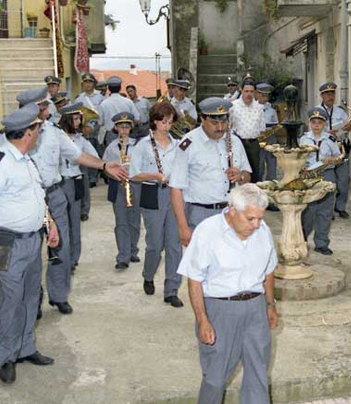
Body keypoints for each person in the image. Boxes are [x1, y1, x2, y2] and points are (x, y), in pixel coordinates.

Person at [177, 183, 279, 404]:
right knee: (216, 373)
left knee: (258, 375)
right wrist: (202, 320)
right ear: (232, 210)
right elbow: (194, 279)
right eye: (250, 218)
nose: (256, 224)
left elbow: (269, 270)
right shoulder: (208, 232)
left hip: (255, 308)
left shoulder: (262, 231)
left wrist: (270, 304)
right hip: (219, 309)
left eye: (260, 218)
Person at [0, 103, 59, 384]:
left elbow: (37, 197)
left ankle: (26, 348)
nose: (40, 133)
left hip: (33, 240)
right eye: (38, 129)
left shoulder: (26, 159)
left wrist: (50, 223)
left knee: (32, 296)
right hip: (6, 243)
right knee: (11, 301)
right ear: (28, 133)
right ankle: (7, 356)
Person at [15, 87, 127, 315]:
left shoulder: (55, 132)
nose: (49, 108)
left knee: (61, 248)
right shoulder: (13, 133)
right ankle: (32, 299)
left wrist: (104, 165)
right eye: (44, 105)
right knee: (30, 252)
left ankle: (58, 295)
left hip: (54, 195)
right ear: (34, 108)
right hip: (27, 198)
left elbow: (77, 155)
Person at [169, 98, 251, 248]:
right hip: (201, 214)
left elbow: (247, 175)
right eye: (214, 123)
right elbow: (175, 187)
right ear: (202, 119)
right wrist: (182, 227)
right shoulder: (188, 144)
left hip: (232, 213)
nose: (220, 127)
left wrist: (241, 176)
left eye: (224, 122)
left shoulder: (234, 142)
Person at [129, 102, 184, 307]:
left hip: (175, 194)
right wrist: (154, 175)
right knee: (155, 243)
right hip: (152, 192)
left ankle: (171, 289)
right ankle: (148, 274)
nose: (167, 126)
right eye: (163, 122)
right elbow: (133, 174)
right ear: (154, 121)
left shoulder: (178, 144)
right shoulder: (143, 145)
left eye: (170, 122)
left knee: (174, 244)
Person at [58, 102, 97, 273]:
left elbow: (94, 157)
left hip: (74, 181)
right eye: (74, 119)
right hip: (58, 183)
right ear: (66, 120)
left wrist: (79, 158)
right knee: (59, 222)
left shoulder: (80, 140)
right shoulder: (56, 137)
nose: (78, 122)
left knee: (74, 222)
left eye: (79, 119)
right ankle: (60, 256)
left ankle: (73, 259)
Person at [300, 106, 342, 255]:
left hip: (327, 174)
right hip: (309, 176)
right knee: (309, 210)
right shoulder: (303, 139)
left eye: (320, 122)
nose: (317, 125)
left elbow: (339, 158)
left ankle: (321, 242)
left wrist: (332, 159)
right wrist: (301, 167)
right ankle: (302, 239)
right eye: (314, 122)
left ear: (324, 124)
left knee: (325, 210)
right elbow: (297, 158)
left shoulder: (330, 139)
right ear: (310, 123)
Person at [103, 112, 141, 270]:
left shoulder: (138, 145)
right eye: (121, 127)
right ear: (116, 128)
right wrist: (111, 173)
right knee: (121, 221)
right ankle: (122, 256)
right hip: (117, 184)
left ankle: (133, 249)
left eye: (127, 127)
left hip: (134, 183)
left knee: (134, 220)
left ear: (131, 128)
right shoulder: (111, 147)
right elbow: (104, 167)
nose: (124, 130)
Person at [319, 82, 351, 219]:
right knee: (328, 181)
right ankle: (328, 209)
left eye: (332, 93)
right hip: (325, 149)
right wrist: (328, 132)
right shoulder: (317, 111)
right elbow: (313, 129)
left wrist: (347, 127)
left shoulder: (340, 111)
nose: (330, 96)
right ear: (322, 95)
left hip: (340, 147)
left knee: (343, 181)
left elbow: (348, 126)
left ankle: (340, 207)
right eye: (327, 94)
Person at [75, 72, 103, 219]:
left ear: (93, 84)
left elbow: (101, 115)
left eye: (90, 82)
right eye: (85, 82)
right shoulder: (79, 98)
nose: (87, 85)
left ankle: (94, 177)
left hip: (96, 129)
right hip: (82, 132)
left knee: (95, 156)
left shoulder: (100, 97)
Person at [231, 75, 265, 183]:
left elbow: (261, 127)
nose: (249, 94)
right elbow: (229, 126)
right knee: (239, 171)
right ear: (241, 91)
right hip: (238, 142)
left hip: (254, 143)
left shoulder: (259, 108)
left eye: (251, 91)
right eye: (246, 91)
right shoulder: (233, 106)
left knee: (255, 172)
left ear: (255, 92)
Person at [97, 76, 140, 148]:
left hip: (110, 134)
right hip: (127, 132)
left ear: (109, 88)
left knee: (112, 156)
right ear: (120, 88)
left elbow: (100, 122)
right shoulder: (128, 102)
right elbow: (137, 119)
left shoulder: (103, 104)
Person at [256, 82, 279, 182]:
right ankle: (259, 183)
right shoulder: (252, 108)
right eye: (263, 95)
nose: (265, 97)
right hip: (258, 137)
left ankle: (272, 183)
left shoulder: (271, 109)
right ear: (257, 94)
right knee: (259, 163)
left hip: (270, 137)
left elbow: (275, 123)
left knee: (272, 162)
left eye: (267, 95)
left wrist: (272, 128)